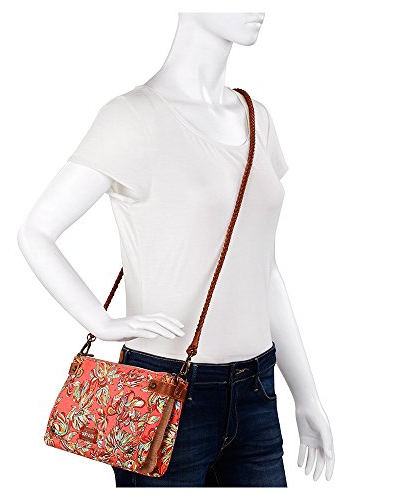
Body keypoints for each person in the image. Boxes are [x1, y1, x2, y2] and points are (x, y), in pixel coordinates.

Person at [18, 12, 334, 487]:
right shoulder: (133, 116)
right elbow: (37, 231)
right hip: (160, 389)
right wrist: (101, 323)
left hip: (257, 390)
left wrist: (306, 396)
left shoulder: (257, 118)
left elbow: (264, 271)